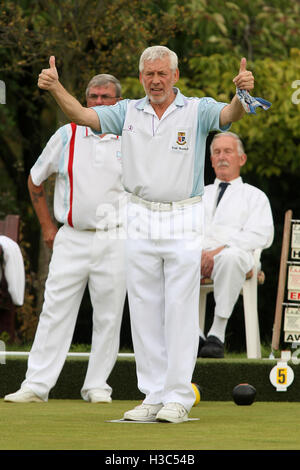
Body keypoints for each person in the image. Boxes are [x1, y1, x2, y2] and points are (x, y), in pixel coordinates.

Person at [36, 45, 258, 423]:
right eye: (149, 74)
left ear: (174, 75)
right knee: (143, 308)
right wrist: (57, 88)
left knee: (178, 306)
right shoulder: (125, 111)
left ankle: (178, 396)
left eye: (162, 74)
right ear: (141, 77)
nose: (156, 80)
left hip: (183, 216)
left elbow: (229, 114)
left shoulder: (197, 108)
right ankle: (153, 395)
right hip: (138, 214)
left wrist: (242, 93)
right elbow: (83, 115)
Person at [4, 74, 127, 403]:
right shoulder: (67, 134)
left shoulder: (131, 138)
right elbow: (35, 181)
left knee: (109, 314)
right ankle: (36, 385)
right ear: (85, 100)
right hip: (71, 236)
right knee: (54, 310)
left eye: (106, 98)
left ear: (118, 103)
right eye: (94, 97)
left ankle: (97, 385)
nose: (99, 103)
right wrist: (47, 227)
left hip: (115, 238)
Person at [198, 132, 274, 358]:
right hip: (197, 256)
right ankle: (193, 335)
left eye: (228, 151)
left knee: (230, 258)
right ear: (211, 160)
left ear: (241, 159)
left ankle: (216, 334)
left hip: (236, 255)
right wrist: (200, 253)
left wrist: (220, 250)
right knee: (169, 259)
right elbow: (184, 230)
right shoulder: (198, 194)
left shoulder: (255, 196)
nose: (222, 157)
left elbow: (261, 234)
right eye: (217, 152)